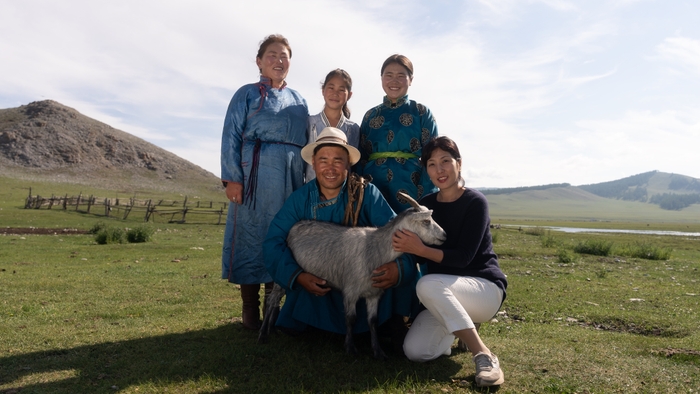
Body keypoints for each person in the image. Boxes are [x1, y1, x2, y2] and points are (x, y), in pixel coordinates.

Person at [263, 127, 417, 346]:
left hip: (361, 282)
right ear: (313, 163)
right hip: (317, 287)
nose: (330, 168)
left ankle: (388, 322)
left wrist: (398, 270)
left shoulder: (367, 193)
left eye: (338, 160)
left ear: (348, 164)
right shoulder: (300, 199)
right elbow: (273, 242)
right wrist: (297, 276)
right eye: (323, 160)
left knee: (392, 272)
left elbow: (399, 235)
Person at [393, 136, 508, 387]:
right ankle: (462, 326)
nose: (439, 170)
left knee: (426, 285)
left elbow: (463, 257)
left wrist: (421, 249)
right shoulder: (426, 206)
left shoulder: (475, 202)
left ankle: (483, 354)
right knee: (415, 351)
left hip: (483, 288)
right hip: (443, 292)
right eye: (432, 164)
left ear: (459, 164)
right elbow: (410, 251)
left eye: (445, 161)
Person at [220, 34, 308, 330]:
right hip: (254, 176)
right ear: (259, 61)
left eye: (284, 56)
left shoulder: (299, 100)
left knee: (283, 237)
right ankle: (249, 306)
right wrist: (233, 178)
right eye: (272, 55)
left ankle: (274, 304)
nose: (279, 61)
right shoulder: (246, 94)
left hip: (290, 177)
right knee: (250, 236)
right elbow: (230, 135)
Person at [357, 54, 438, 213]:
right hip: (374, 187)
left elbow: (433, 156)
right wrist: (361, 190)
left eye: (401, 76)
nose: (394, 81)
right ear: (381, 78)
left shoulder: (421, 112)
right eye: (389, 75)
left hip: (412, 186)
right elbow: (361, 157)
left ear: (411, 80)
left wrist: (426, 195)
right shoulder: (370, 115)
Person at [305, 69, 360, 182]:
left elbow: (353, 164)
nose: (335, 93)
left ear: (349, 95)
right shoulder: (309, 122)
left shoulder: (353, 128)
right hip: (310, 189)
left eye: (341, 90)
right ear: (323, 90)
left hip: (342, 193)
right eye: (331, 88)